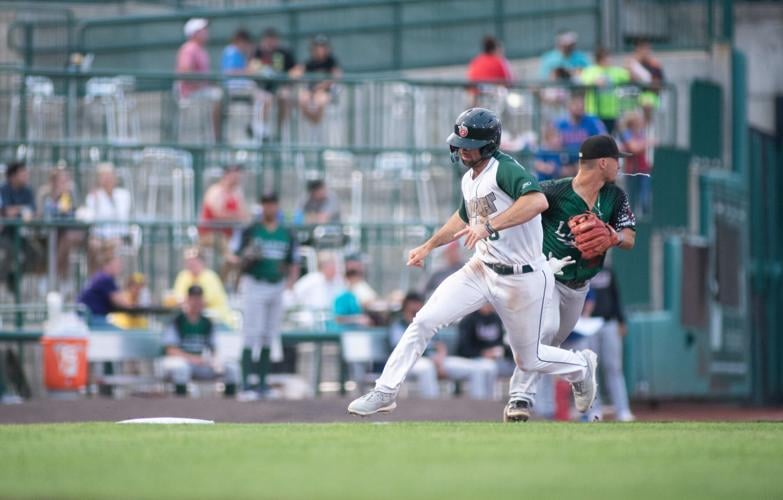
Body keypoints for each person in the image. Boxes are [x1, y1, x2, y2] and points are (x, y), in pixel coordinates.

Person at [347, 107, 597, 417]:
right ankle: (385, 390)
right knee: (424, 320)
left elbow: (538, 201)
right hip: (481, 269)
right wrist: (429, 245)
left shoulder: (504, 168)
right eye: (460, 145)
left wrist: (489, 225)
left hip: (523, 277)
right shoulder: (470, 178)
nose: (463, 151)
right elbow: (463, 217)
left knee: (529, 360)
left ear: (489, 144)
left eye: (470, 146)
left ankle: (580, 366)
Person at [503, 134, 637, 423]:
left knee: (553, 343)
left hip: (579, 286)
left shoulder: (615, 196)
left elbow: (629, 238)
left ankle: (579, 371)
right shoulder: (554, 191)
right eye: (616, 161)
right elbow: (521, 206)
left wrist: (612, 236)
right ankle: (520, 398)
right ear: (603, 162)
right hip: (548, 275)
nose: (619, 166)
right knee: (544, 331)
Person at [237, 192, 299, 396]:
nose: (269, 207)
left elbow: (293, 262)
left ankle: (262, 384)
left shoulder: (286, 233)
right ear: (262, 206)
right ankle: (246, 385)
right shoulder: (251, 230)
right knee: (251, 333)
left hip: (276, 285)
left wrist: (290, 283)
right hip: (255, 283)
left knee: (268, 335)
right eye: (266, 204)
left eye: (273, 203)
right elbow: (235, 257)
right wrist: (246, 258)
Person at [162, 285, 241, 397]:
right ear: (187, 299)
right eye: (193, 298)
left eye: (199, 298)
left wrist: (214, 361)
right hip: (180, 362)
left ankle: (230, 407)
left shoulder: (207, 322)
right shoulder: (177, 321)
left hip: (200, 363)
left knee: (232, 368)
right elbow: (170, 350)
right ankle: (179, 406)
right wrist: (192, 358)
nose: (196, 302)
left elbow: (214, 348)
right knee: (181, 368)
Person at [585, 268, 635, 422]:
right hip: (588, 324)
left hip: (609, 323)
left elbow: (616, 296)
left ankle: (622, 409)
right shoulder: (582, 270)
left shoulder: (609, 272)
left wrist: (621, 320)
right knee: (590, 369)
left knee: (613, 367)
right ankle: (594, 411)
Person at [198, 164, 249, 276]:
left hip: (231, 236)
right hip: (210, 234)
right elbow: (219, 214)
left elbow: (245, 215)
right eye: (234, 175)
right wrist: (236, 216)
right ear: (226, 175)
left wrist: (235, 215)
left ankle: (222, 281)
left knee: (240, 252)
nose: (236, 178)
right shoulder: (215, 191)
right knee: (229, 253)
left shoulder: (237, 192)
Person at [176, 18, 222, 139]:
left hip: (201, 92)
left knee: (219, 94)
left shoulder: (201, 50)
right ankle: (216, 136)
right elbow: (185, 72)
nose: (206, 32)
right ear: (194, 33)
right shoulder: (189, 48)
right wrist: (201, 84)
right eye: (203, 30)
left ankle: (215, 135)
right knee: (218, 95)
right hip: (190, 94)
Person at [83, 162, 132, 274]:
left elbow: (122, 218)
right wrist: (96, 201)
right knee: (94, 246)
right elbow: (91, 219)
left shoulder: (123, 195)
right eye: (103, 177)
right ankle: (96, 282)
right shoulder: (93, 197)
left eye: (109, 176)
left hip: (118, 237)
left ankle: (107, 281)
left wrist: (114, 238)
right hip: (99, 237)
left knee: (110, 248)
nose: (107, 180)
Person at [37, 163, 83, 279]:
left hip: (66, 232)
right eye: (61, 180)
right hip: (46, 233)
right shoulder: (44, 193)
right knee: (59, 241)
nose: (65, 183)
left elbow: (76, 213)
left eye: (66, 179)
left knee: (67, 239)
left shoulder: (71, 192)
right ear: (53, 181)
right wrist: (56, 197)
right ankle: (55, 277)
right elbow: (42, 214)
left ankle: (55, 277)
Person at [0, 162, 39, 288]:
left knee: (35, 254)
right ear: (12, 176)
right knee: (10, 252)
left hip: (22, 234)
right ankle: (2, 280)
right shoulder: (3, 189)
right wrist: (22, 210)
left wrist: (16, 210)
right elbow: (5, 211)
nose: (26, 176)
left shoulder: (27, 190)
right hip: (5, 233)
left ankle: (14, 279)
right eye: (22, 173)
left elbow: (33, 211)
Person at [251, 28, 297, 133]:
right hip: (263, 88)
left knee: (285, 97)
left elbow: (296, 69)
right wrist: (260, 68)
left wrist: (288, 78)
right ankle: (262, 131)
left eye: (273, 39)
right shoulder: (259, 52)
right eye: (268, 39)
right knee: (264, 99)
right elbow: (251, 68)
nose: (270, 42)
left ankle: (279, 132)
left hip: (280, 88)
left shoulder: (284, 52)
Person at [173, 246, 233, 326]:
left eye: (193, 261)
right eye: (188, 261)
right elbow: (178, 299)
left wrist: (187, 303)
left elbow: (203, 302)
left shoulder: (210, 277)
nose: (190, 264)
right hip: (195, 320)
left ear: (201, 262)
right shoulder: (183, 276)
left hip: (219, 322)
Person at [578, 48, 631, 133]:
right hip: (594, 112)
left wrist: (630, 65)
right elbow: (584, 81)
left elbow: (628, 76)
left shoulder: (615, 70)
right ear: (599, 59)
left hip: (611, 112)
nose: (608, 60)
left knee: (607, 138)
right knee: (596, 137)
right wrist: (595, 81)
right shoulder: (590, 70)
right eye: (606, 58)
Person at [553, 93, 607, 177]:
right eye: (576, 104)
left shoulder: (592, 121)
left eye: (582, 104)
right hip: (566, 164)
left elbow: (604, 138)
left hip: (587, 162)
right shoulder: (560, 124)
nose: (580, 107)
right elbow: (552, 145)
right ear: (569, 106)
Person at [457, 303, 515, 380]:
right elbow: (463, 349)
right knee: (488, 368)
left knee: (521, 366)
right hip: (474, 359)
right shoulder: (468, 320)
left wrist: (502, 351)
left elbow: (500, 343)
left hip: (497, 359)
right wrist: (484, 354)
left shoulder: (496, 318)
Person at [293, 35, 342, 125]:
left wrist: (321, 86)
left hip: (325, 91)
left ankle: (316, 123)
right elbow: (296, 72)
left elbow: (336, 76)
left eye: (322, 46)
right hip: (311, 90)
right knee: (302, 98)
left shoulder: (331, 61)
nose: (320, 49)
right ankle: (314, 122)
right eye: (317, 46)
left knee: (320, 100)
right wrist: (297, 73)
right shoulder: (310, 62)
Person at [78, 251, 133, 326]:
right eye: (116, 265)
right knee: (122, 335)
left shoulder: (100, 277)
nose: (120, 268)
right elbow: (123, 303)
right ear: (107, 265)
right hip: (92, 319)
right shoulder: (105, 279)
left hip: (86, 319)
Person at [466, 35, 513, 107]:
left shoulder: (476, 61)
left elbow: (471, 80)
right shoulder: (498, 62)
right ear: (494, 49)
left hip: (477, 98)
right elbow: (507, 81)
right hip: (494, 99)